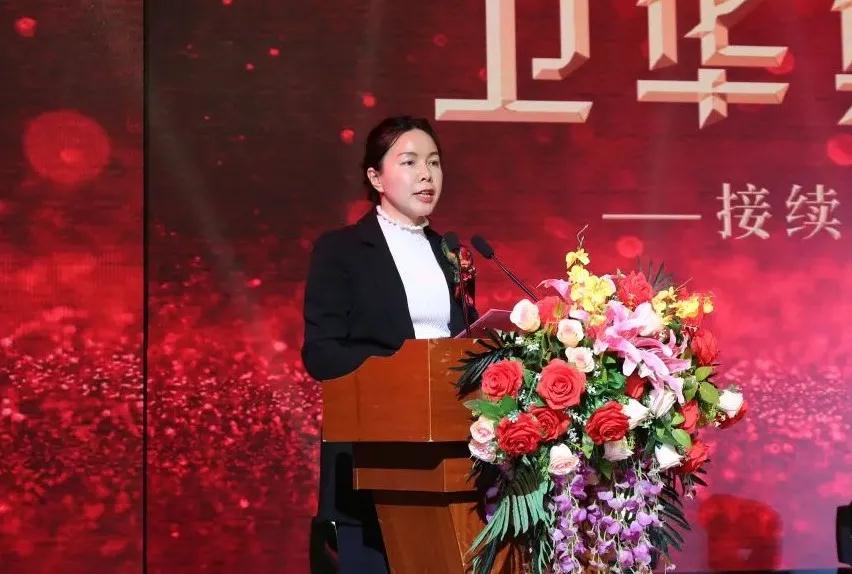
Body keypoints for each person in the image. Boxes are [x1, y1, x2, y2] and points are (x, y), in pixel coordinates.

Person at [301, 116, 477, 574]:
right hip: (369, 456)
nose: (426, 175)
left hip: (447, 459)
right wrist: (406, 368)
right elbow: (321, 353)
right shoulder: (340, 250)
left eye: (434, 162)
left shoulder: (451, 253)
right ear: (376, 177)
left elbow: (460, 348)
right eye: (410, 162)